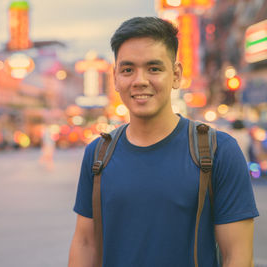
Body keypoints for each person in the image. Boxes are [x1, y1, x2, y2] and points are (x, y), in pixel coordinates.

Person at [68, 17, 258, 267]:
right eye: (128, 70)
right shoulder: (98, 153)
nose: (140, 81)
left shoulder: (218, 151)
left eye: (154, 68)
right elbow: (85, 243)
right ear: (115, 78)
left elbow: (238, 256)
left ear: (176, 75)